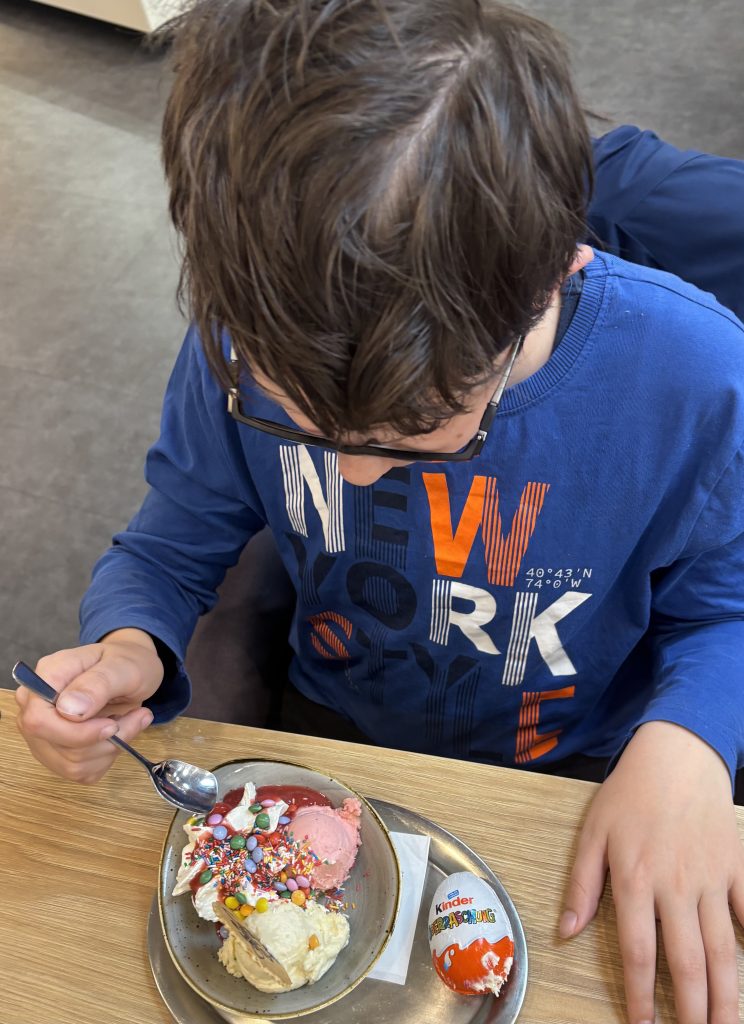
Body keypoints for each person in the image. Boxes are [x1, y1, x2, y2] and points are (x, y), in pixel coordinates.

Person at [14, 2, 744, 1022]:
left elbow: (728, 602)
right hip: (339, 733)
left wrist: (692, 745)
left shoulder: (695, 376)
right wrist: (130, 640)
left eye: (419, 430)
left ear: (554, 270)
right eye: (298, 425)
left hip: (579, 768)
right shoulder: (235, 344)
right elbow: (174, 540)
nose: (351, 482)